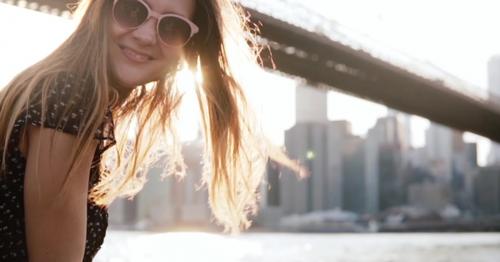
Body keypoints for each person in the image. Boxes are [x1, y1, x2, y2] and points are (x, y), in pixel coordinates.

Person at [0, 0, 306, 261]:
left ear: (190, 49)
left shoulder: (54, 87)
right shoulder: (70, 98)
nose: (146, 36)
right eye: (133, 10)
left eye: (172, 28)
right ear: (103, 9)